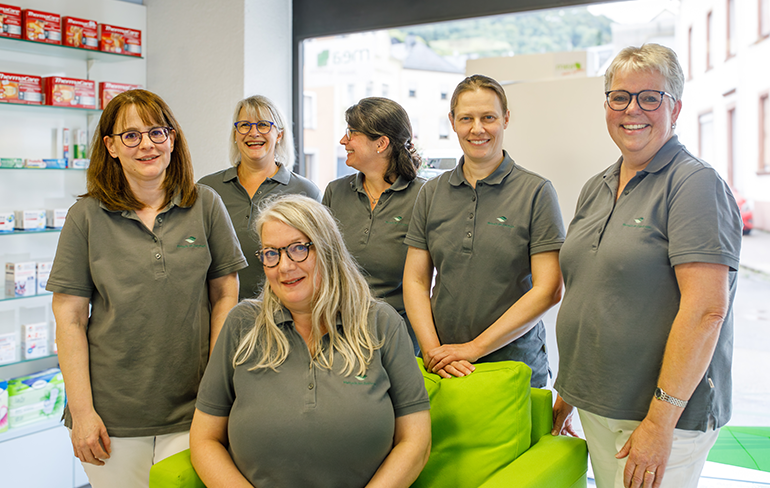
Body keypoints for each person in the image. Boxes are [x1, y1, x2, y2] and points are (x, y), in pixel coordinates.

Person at [551, 44, 742, 488]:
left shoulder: (694, 184)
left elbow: (706, 312)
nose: (632, 109)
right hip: (600, 405)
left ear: (675, 108)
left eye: (649, 97)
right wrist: (570, 394)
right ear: (606, 105)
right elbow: (591, 293)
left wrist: (660, 424)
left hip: (659, 418)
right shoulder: (596, 186)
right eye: (620, 96)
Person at [46, 89, 247, 488]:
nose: (147, 145)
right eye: (131, 135)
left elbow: (225, 292)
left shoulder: (205, 205)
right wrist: (82, 412)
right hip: (111, 416)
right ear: (111, 146)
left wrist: (217, 383)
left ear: (172, 139)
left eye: (156, 132)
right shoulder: (84, 217)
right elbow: (68, 318)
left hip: (194, 409)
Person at [190, 194, 431, 487]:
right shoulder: (242, 324)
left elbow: (416, 442)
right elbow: (204, 440)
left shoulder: (381, 323)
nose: (284, 266)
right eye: (271, 253)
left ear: (328, 250)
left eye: (298, 249)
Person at [402, 75, 565, 386]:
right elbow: (416, 279)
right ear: (452, 122)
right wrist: (433, 350)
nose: (477, 129)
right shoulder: (432, 193)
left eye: (488, 117)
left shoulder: (535, 192)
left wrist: (473, 349)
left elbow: (549, 289)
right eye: (466, 118)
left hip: (515, 369)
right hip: (443, 367)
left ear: (505, 119)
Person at [323, 97, 425, 354]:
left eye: (351, 133)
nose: (343, 141)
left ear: (381, 143)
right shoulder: (335, 192)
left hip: (397, 337)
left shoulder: (425, 196)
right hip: (338, 332)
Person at [198, 95, 321, 300]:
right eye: (244, 125)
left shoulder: (304, 191)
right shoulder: (207, 189)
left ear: (279, 134)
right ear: (235, 135)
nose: (253, 133)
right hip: (220, 313)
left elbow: (319, 262)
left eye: (263, 125)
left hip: (285, 315)